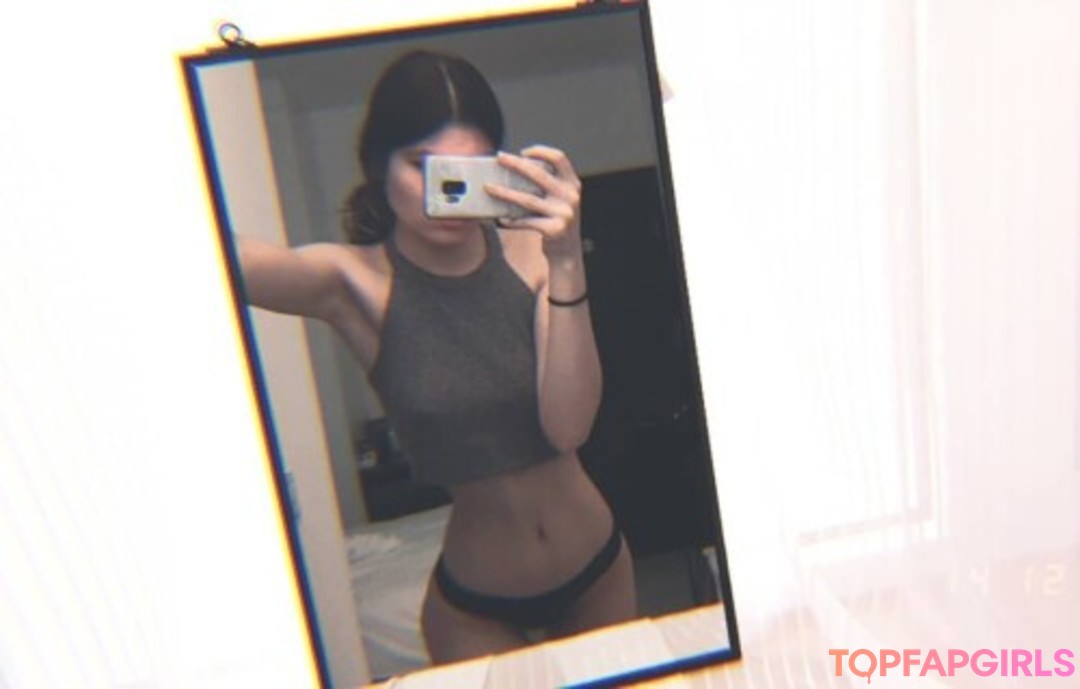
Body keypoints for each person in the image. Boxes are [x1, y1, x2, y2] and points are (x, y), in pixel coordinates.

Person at [236, 49, 636, 664]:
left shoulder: (534, 253)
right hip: (477, 605)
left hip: (597, 569)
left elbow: (569, 427)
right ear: (378, 166)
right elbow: (217, 254)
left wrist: (565, 261)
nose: (444, 190)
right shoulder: (353, 283)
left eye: (467, 170)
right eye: (421, 166)